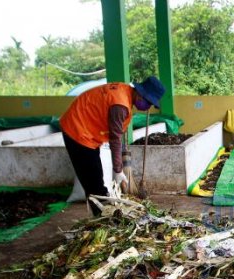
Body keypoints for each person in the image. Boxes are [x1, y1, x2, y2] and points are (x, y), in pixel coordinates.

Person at [60, 76, 166, 215]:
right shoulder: (120, 105)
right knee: (94, 183)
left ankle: (101, 212)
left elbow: (117, 134)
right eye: (148, 102)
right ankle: (101, 218)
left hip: (87, 131)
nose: (148, 106)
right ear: (140, 93)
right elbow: (115, 138)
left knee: (94, 177)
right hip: (78, 131)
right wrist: (118, 170)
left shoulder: (124, 92)